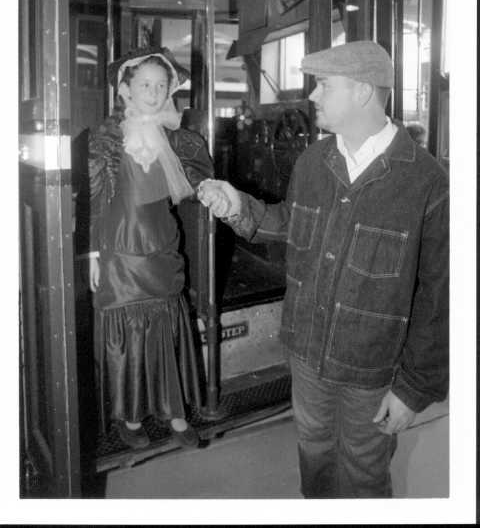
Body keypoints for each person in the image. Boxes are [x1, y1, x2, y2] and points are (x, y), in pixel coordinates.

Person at [197, 40, 449, 498]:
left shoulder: (426, 181)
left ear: (362, 92)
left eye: (324, 86)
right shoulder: (314, 161)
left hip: (372, 369)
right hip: (308, 354)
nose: (311, 96)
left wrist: (414, 387)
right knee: (313, 459)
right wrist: (239, 206)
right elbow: (292, 224)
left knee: (364, 474)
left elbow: (440, 295)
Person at [77, 47, 213, 451]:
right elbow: (94, 197)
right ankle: (131, 418)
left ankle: (174, 413)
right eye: (144, 85)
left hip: (161, 246)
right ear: (126, 90)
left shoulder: (176, 137)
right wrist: (92, 254)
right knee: (130, 335)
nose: (154, 93)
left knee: (166, 327)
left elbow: (201, 177)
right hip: (119, 249)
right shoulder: (106, 137)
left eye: (160, 85)